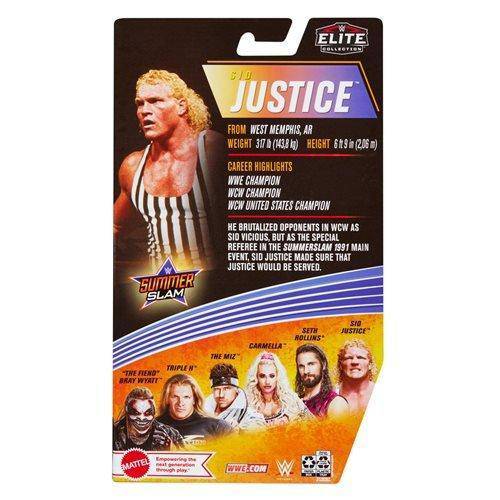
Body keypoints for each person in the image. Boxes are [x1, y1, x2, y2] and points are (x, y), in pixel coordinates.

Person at [114, 69, 224, 271]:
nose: (145, 110)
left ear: (181, 106)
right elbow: (115, 227)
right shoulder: (133, 166)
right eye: (140, 103)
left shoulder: (211, 150)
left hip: (218, 285)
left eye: (155, 101)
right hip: (163, 287)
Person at [158, 374, 233, 446]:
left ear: (194, 399)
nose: (180, 403)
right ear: (167, 399)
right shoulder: (154, 426)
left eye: (186, 397)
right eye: (175, 397)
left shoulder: (218, 427)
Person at [245, 352, 313, 426]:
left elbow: (314, 424)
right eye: (262, 376)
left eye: (272, 376)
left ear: (278, 377)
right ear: (256, 377)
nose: (267, 381)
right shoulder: (247, 403)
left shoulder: (291, 399)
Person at [113, 387, 184, 451]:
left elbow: (185, 457)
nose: (142, 418)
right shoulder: (113, 432)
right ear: (127, 410)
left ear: (154, 412)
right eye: (135, 413)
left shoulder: (171, 434)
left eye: (148, 413)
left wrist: (170, 449)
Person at [204, 363, 266, 430]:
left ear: (236, 389)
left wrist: (240, 430)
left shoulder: (247, 413)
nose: (221, 395)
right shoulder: (203, 407)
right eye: (217, 389)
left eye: (226, 388)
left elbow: (259, 424)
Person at [295, 344, 349, 418]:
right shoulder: (295, 402)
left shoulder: (336, 403)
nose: (306, 371)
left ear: (323, 365)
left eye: (311, 364)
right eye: (301, 366)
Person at [336, 340, 377, 413]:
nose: (354, 362)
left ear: (370, 365)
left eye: (360, 357)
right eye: (349, 358)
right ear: (340, 365)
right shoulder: (330, 396)